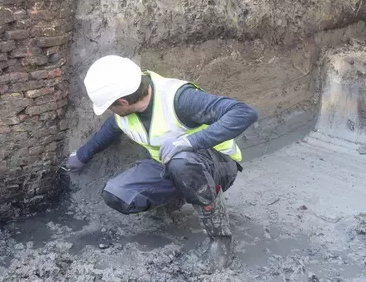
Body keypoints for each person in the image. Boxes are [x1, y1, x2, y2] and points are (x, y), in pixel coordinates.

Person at [66, 55, 258, 270]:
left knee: (182, 163)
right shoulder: (126, 111)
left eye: (112, 107)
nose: (113, 113)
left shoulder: (179, 99)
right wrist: (83, 155)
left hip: (217, 167)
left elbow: (243, 113)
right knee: (117, 194)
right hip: (171, 167)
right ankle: (175, 200)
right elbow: (111, 128)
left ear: (123, 102)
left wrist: (190, 141)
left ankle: (220, 239)